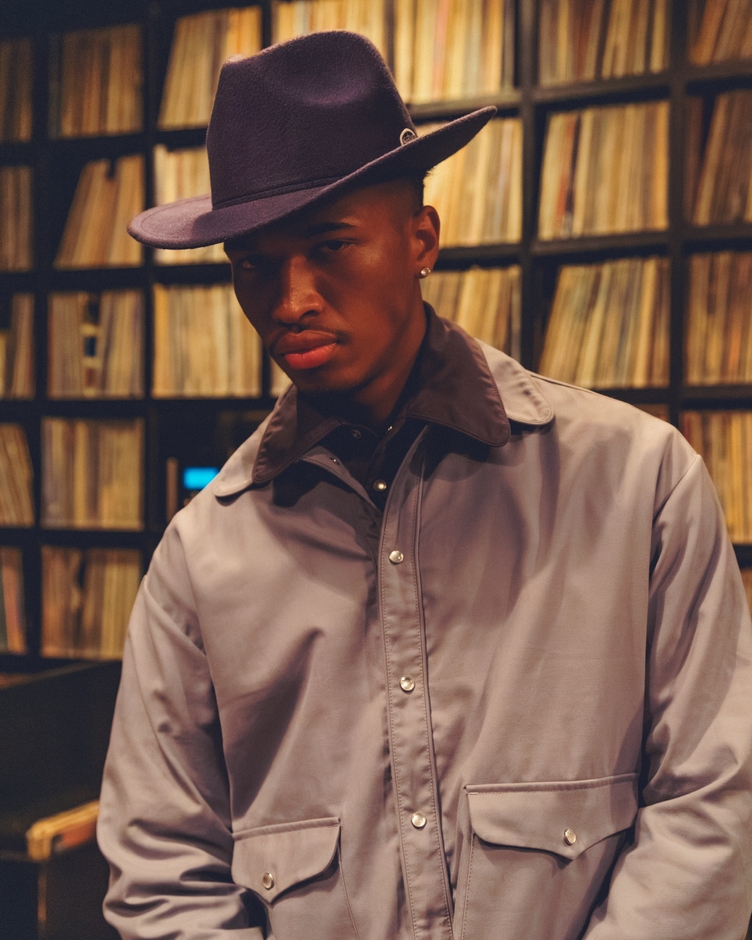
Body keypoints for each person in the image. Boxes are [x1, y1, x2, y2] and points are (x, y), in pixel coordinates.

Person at [97, 31, 752, 940]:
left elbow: (714, 805)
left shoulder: (636, 483)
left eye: (331, 245)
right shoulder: (199, 558)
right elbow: (161, 873)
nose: (289, 300)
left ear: (421, 239)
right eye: (252, 263)